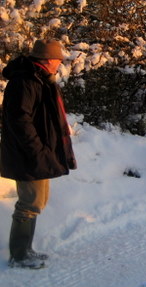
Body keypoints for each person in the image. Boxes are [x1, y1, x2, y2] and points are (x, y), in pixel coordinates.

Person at [0, 39, 77, 269]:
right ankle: (19, 255)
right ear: (46, 60)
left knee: (38, 201)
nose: (59, 64)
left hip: (37, 153)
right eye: (57, 59)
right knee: (29, 202)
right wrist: (37, 149)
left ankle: (27, 250)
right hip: (27, 154)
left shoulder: (39, 79)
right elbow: (20, 120)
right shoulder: (25, 81)